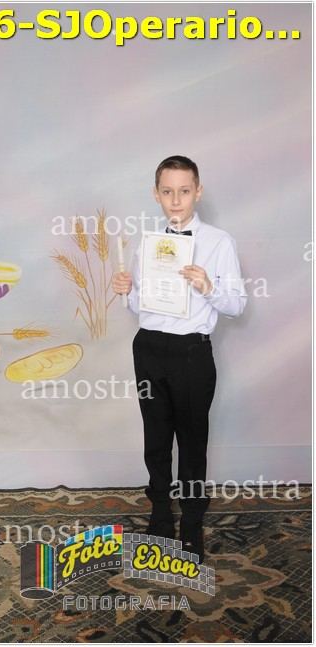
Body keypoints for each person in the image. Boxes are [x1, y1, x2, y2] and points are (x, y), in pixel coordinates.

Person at [112, 155, 247, 562]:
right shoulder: (149, 244)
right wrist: (126, 292)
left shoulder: (219, 242)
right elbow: (142, 307)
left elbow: (237, 305)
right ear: (156, 194)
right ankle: (159, 513)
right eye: (167, 191)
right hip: (149, 348)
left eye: (184, 191)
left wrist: (207, 286)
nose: (176, 200)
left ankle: (190, 521)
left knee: (191, 439)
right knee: (155, 437)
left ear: (198, 192)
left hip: (191, 352)